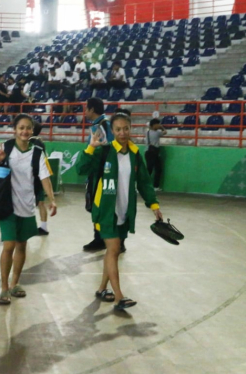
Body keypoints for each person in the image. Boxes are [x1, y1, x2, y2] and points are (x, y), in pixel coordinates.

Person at [76, 112, 163, 310]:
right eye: (118, 129)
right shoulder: (104, 152)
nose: (122, 132)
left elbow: (144, 182)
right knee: (114, 250)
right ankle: (119, 297)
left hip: (125, 210)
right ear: (112, 131)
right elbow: (80, 169)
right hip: (106, 211)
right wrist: (90, 147)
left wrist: (154, 205)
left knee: (111, 252)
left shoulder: (134, 153)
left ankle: (101, 289)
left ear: (131, 129)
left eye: (126, 128)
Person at [0, 114, 57, 305]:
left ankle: (15, 283)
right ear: (15, 130)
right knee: (9, 245)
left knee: (22, 245)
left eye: (28, 128)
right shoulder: (2, 148)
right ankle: (3, 288)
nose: (25, 131)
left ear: (32, 131)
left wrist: (52, 200)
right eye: (21, 127)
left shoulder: (38, 153)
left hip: (27, 205)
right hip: (6, 205)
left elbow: (45, 178)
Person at [82, 98, 112, 252]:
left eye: (86, 108)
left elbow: (108, 150)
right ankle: (111, 240)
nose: (85, 111)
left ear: (92, 109)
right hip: (103, 172)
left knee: (99, 206)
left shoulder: (101, 126)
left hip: (101, 173)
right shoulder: (104, 124)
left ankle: (100, 238)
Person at [31, 122, 50, 235]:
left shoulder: (31, 143)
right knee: (41, 203)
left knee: (29, 205)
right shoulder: (41, 142)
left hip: (33, 178)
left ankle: (27, 227)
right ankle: (44, 227)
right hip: (41, 177)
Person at [145, 118, 167, 192]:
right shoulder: (157, 132)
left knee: (149, 170)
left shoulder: (147, 132)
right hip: (153, 152)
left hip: (148, 152)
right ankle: (155, 186)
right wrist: (162, 127)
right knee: (157, 169)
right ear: (154, 125)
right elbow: (165, 132)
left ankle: (144, 185)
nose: (159, 126)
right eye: (157, 124)